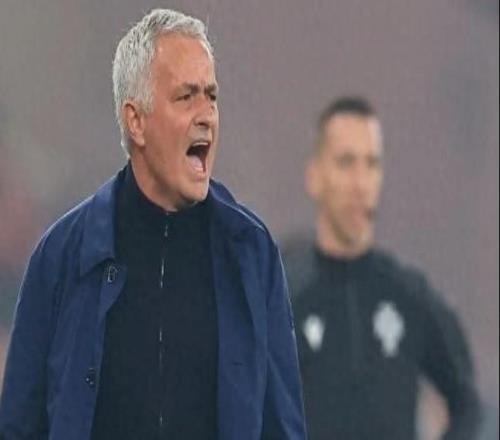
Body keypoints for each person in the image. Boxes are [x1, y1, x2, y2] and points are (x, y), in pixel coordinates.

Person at [0, 9, 306, 440]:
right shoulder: (63, 255)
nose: (207, 115)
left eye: (211, 96)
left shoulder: (250, 252)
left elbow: (283, 426)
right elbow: (18, 424)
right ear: (136, 121)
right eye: (186, 97)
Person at [283, 96, 481, 440]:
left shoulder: (408, 296)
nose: (360, 183)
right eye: (346, 163)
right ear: (314, 177)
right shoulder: (284, 300)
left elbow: (466, 401)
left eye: (371, 164)